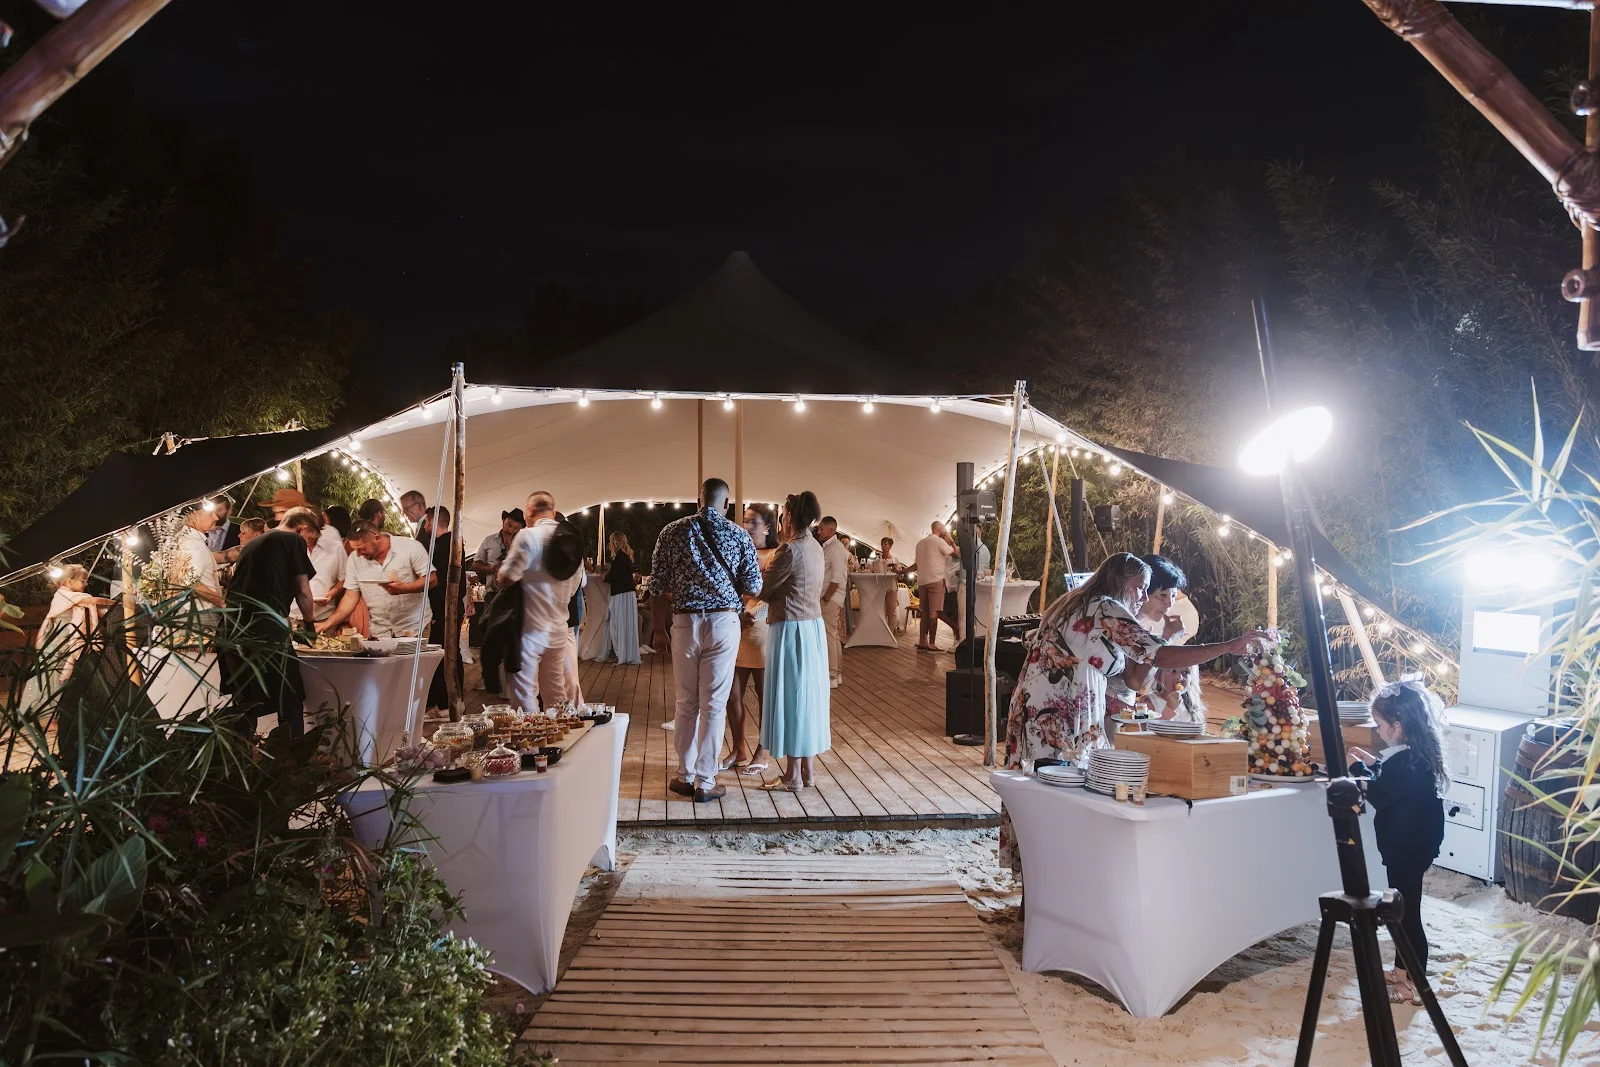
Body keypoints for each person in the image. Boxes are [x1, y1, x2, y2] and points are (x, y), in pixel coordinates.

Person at [999, 552, 1273, 877]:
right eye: (1141, 587)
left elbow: (1133, 677)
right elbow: (1160, 656)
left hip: (1040, 710)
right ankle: (1044, 893)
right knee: (1054, 806)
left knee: (1039, 803)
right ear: (1121, 581)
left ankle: (1033, 898)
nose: (1143, 595)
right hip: (1057, 717)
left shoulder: (1076, 603)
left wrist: (1157, 639)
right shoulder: (1105, 606)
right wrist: (1226, 646)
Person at [647, 477, 762, 804]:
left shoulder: (672, 531)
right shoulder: (738, 535)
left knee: (686, 702)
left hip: (684, 621)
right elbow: (754, 586)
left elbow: (656, 586)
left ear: (699, 499)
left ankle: (684, 776)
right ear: (725, 503)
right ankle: (706, 781)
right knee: (713, 704)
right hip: (724, 621)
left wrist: (658, 629)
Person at [1348, 680, 1448, 1005]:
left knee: (1404, 916)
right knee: (1406, 911)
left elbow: (1380, 793)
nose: (1377, 732)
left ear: (1397, 726)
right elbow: (1393, 781)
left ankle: (1412, 983)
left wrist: (1358, 768)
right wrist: (1374, 764)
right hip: (1417, 844)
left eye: (1379, 725)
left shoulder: (1404, 763)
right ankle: (1404, 972)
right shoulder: (1415, 755)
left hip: (1405, 847)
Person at [758, 491, 831, 792]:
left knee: (791, 697)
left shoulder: (789, 551)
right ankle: (807, 771)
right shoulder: (815, 547)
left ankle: (792, 776)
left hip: (790, 629)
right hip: (812, 628)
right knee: (807, 698)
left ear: (789, 516)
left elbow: (762, 588)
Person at [221, 514, 317, 736]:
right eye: (310, 538)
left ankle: (241, 758)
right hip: (264, 626)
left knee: (246, 700)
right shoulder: (293, 540)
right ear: (302, 529)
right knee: (290, 695)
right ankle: (291, 759)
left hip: (231, 626)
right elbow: (303, 590)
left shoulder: (252, 543)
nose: (308, 544)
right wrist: (309, 625)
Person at [498, 492, 586, 712]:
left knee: (524, 693)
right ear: (553, 512)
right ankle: (558, 741)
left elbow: (507, 577)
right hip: (557, 629)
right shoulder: (571, 542)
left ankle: (531, 744)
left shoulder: (528, 536)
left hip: (529, 629)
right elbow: (577, 584)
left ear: (529, 511)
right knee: (555, 693)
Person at [728, 503, 779, 773]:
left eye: (753, 522)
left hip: (761, 630)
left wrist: (754, 615)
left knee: (763, 695)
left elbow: (774, 594)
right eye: (745, 521)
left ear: (768, 526)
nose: (746, 527)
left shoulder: (774, 555)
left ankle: (764, 749)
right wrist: (737, 613)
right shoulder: (738, 551)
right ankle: (738, 748)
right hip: (736, 628)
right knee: (732, 693)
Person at [1126, 554, 1205, 724]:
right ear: (1144, 591)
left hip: (1123, 709)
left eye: (1173, 595)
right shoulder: (1126, 625)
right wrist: (1166, 639)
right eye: (1162, 595)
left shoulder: (1149, 627)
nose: (1169, 603)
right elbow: (1135, 681)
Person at [22, 565, 114, 704]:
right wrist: (118, 602)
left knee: (63, 673)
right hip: (58, 639)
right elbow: (94, 601)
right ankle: (50, 712)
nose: (85, 584)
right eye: (83, 581)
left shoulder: (73, 596)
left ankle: (60, 710)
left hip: (66, 637)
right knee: (54, 673)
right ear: (69, 581)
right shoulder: (63, 595)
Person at [345, 520, 434, 638]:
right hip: (380, 631)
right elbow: (350, 597)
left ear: (377, 538)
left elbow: (432, 579)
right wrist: (328, 623)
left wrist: (405, 588)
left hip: (414, 627)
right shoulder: (354, 559)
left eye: (362, 549)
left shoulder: (410, 547)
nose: (358, 554)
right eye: (355, 549)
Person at [421, 506, 464, 711]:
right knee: (448, 652)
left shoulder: (443, 545)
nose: (425, 527)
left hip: (446, 609)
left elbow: (442, 584)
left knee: (446, 654)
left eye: (427, 522)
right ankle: (447, 703)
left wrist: (437, 613)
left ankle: (448, 704)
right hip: (448, 608)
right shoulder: (452, 543)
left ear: (434, 521)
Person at [281, 507, 345, 629]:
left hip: (323, 619)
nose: (309, 537)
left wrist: (332, 593)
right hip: (293, 617)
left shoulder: (335, 547)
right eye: (304, 531)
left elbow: (344, 579)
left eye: (314, 533)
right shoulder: (288, 548)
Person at [815, 516, 849, 687]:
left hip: (831, 597)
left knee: (829, 635)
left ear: (831, 530)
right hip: (830, 596)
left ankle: (832, 674)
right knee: (833, 635)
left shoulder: (836, 549)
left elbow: (836, 577)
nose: (819, 531)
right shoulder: (829, 547)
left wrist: (826, 597)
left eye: (821, 529)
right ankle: (837, 673)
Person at [912, 522, 956, 651]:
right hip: (936, 579)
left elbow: (917, 564)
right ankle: (931, 644)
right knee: (934, 613)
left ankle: (922, 642)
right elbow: (956, 554)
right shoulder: (938, 541)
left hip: (922, 580)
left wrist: (903, 572)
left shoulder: (920, 543)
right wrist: (951, 540)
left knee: (925, 612)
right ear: (940, 529)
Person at [604, 532, 641, 665]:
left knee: (617, 624)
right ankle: (625, 653)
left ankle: (620, 653)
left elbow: (614, 577)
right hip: (628, 594)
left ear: (615, 542)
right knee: (626, 623)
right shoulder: (625, 557)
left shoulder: (619, 558)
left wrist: (605, 577)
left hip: (620, 594)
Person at [474, 508, 525, 590]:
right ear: (503, 521)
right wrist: (490, 568)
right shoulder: (489, 540)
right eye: (509, 525)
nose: (510, 530)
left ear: (520, 529)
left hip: (515, 593)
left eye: (515, 528)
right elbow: (476, 565)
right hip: (492, 592)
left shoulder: (524, 544)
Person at [877, 536, 906, 631]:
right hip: (879, 587)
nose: (883, 546)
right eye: (882, 544)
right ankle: (882, 631)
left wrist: (897, 570)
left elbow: (901, 576)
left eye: (885, 544)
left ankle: (890, 632)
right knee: (880, 610)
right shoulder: (877, 561)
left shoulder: (895, 560)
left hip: (891, 587)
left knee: (891, 611)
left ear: (890, 546)